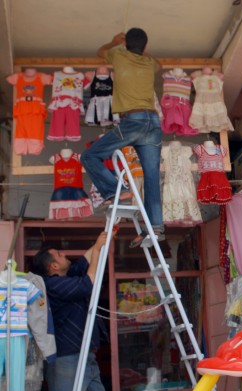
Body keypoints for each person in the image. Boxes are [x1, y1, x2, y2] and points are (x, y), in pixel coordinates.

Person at [80, 28, 164, 247]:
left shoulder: (118, 54)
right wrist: (139, 49)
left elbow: (100, 51)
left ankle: (115, 190)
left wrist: (113, 41)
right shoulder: (150, 63)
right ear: (145, 47)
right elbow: (160, 65)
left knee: (89, 156)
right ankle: (154, 228)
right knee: (151, 176)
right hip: (153, 122)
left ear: (125, 44)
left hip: (133, 120)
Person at [31, 231, 114, 391]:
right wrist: (97, 250)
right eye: (59, 255)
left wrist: (101, 241)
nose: (64, 255)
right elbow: (88, 284)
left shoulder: (65, 278)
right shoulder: (52, 285)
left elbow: (83, 264)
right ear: (53, 266)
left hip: (87, 357)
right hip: (66, 360)